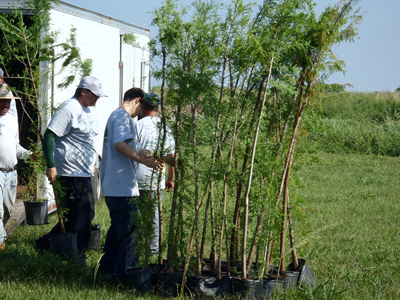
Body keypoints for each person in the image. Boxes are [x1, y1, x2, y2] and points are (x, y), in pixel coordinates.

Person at [37, 76, 107, 265]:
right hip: (69, 173)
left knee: (79, 215)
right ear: (83, 91)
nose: (97, 99)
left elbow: (86, 140)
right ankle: (78, 254)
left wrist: (91, 161)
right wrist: (51, 165)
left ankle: (45, 243)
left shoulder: (88, 110)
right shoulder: (68, 108)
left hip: (84, 172)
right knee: (83, 214)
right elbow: (50, 135)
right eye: (95, 95)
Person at [98, 88, 164, 282]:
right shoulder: (121, 116)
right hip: (121, 186)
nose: (141, 111)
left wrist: (148, 155)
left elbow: (130, 147)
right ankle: (123, 275)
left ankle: (107, 268)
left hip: (118, 185)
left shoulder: (122, 118)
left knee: (117, 229)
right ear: (137, 100)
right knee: (131, 231)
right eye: (142, 106)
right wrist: (143, 161)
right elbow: (120, 145)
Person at [133, 92, 175, 254]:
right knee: (154, 216)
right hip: (157, 179)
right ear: (157, 108)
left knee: (136, 216)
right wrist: (170, 179)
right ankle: (153, 249)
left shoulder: (137, 126)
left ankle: (136, 247)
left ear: (143, 107)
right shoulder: (166, 127)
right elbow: (171, 156)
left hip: (137, 178)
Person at [0, 83, 30, 250]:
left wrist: (32, 155)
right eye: (2, 101)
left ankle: (1, 235)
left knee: (7, 209)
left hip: (11, 172)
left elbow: (17, 147)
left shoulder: (11, 120)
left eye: (8, 102)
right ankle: (0, 243)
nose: (6, 105)